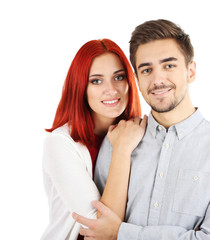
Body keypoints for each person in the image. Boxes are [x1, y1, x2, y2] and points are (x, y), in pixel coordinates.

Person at [73, 19, 210, 240]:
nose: (157, 80)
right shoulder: (118, 140)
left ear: (190, 71)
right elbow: (98, 229)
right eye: (146, 70)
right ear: (136, 79)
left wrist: (122, 233)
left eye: (169, 65)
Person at [41, 39, 147, 240]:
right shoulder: (61, 143)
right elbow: (99, 227)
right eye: (96, 81)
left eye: (119, 77)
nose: (112, 90)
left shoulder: (137, 133)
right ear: (80, 87)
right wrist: (122, 150)